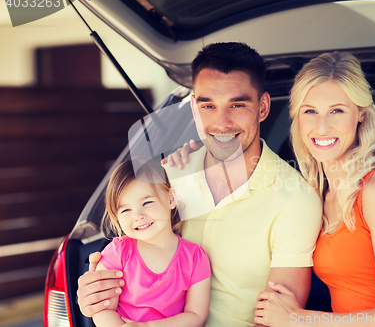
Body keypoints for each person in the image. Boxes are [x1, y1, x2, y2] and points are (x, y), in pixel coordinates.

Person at [76, 42, 323, 327]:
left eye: (237, 105)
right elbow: (125, 261)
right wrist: (94, 295)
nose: (221, 123)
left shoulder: (295, 199)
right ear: (194, 107)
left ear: (263, 107)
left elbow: (279, 318)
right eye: (208, 106)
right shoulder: (168, 176)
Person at [253, 52, 375, 326]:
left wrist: (298, 319)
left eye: (337, 111)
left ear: (361, 115)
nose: (322, 126)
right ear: (297, 119)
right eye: (310, 111)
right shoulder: (316, 195)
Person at [92, 158, 210, 327]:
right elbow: (104, 310)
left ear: (171, 199)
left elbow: (197, 315)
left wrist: (147, 326)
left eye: (147, 202)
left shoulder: (195, 257)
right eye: (126, 210)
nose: (138, 215)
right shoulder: (117, 252)